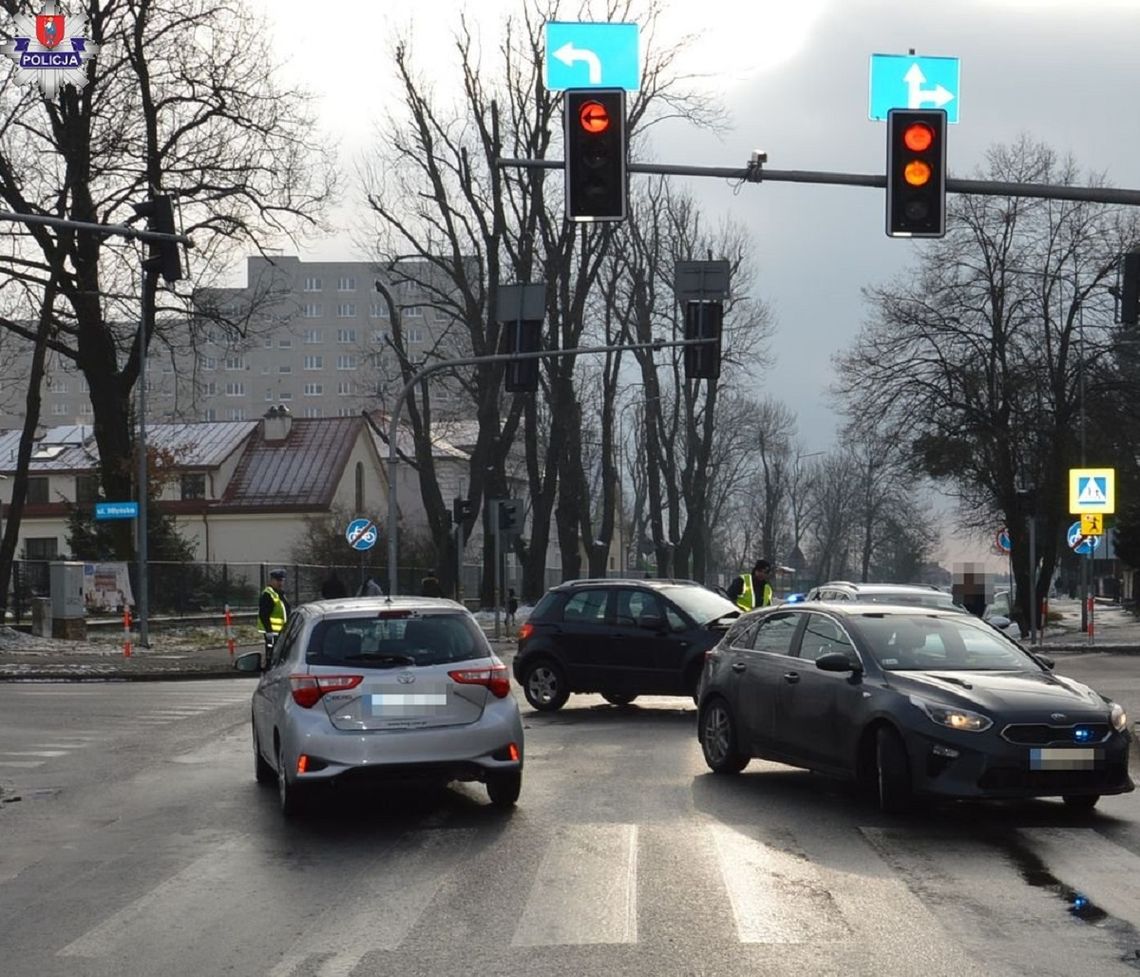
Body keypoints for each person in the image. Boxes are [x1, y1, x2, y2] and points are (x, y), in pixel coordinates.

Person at [258, 568, 290, 654]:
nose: (280, 583)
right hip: (272, 632)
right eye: (278, 580)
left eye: (282, 580)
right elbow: (264, 614)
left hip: (281, 631)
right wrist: (269, 631)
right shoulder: (268, 594)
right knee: (272, 653)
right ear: (272, 580)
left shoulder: (280, 594)